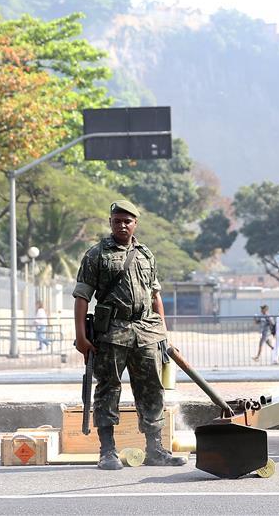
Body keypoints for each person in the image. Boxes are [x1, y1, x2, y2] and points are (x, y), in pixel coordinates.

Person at [73, 200, 185, 470]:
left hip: (146, 332)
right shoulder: (96, 255)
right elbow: (81, 297)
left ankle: (155, 450)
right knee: (108, 389)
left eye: (127, 221)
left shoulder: (146, 254)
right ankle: (107, 451)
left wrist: (163, 333)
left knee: (152, 390)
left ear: (135, 223)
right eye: (117, 221)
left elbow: (155, 296)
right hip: (112, 333)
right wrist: (81, 337)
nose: (122, 225)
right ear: (110, 223)